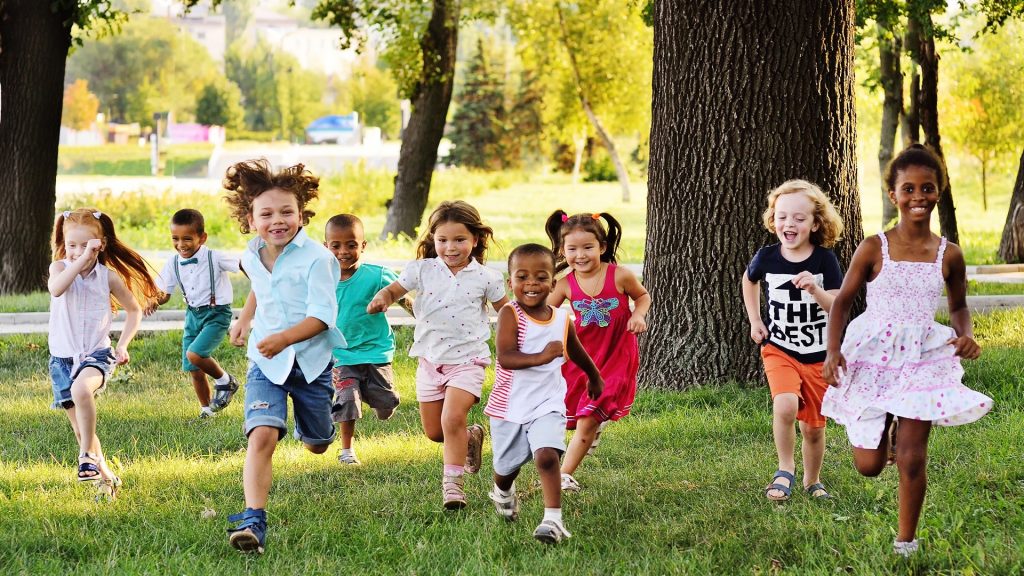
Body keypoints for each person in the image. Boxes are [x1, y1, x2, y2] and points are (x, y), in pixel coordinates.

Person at [821, 144, 992, 557]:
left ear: (939, 191)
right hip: (873, 353)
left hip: (923, 357)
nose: (919, 196)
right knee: (869, 466)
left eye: (928, 188)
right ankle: (886, 427)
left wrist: (964, 333)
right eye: (909, 188)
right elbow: (843, 301)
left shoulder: (948, 254)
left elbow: (959, 306)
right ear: (893, 194)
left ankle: (906, 541)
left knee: (913, 458)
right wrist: (832, 351)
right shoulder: (873, 247)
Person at [223, 159, 345, 554]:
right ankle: (253, 519)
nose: (278, 220)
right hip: (266, 362)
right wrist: (245, 318)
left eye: (287, 212)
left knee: (318, 443)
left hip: (310, 362)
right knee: (261, 436)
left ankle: (313, 428)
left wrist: (284, 339)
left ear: (302, 214)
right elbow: (263, 285)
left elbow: (323, 317)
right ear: (250, 218)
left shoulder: (318, 259)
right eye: (267, 213)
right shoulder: (252, 252)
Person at [367, 200, 508, 509]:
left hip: (469, 361)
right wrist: (382, 298)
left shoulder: (487, 278)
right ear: (433, 239)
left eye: (459, 240)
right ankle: (468, 438)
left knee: (451, 417)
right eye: (442, 240)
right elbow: (394, 290)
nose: (450, 247)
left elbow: (509, 313)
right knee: (435, 432)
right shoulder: (422, 270)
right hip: (430, 362)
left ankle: (453, 488)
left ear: (475, 239)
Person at [485, 244, 604, 544]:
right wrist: (541, 356)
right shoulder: (511, 314)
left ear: (553, 282)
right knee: (505, 468)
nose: (531, 284)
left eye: (540, 277)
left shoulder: (562, 319)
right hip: (509, 406)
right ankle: (502, 491)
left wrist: (594, 376)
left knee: (547, 457)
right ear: (510, 282)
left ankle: (553, 520)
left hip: (548, 402)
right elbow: (506, 357)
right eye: (522, 277)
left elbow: (575, 350)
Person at [741, 180, 844, 501]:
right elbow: (749, 280)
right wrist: (756, 320)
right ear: (773, 219)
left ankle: (812, 480)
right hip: (779, 349)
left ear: (815, 223)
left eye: (799, 218)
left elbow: (838, 306)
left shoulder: (824, 261)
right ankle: (785, 468)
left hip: (817, 355)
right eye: (782, 216)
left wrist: (815, 289)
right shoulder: (767, 257)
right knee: (784, 404)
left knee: (813, 428)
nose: (790, 224)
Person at [47, 208, 160, 500]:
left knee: (81, 389)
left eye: (85, 245)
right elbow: (57, 290)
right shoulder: (59, 269)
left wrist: (122, 344)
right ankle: (106, 477)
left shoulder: (106, 277)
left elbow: (134, 311)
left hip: (96, 355)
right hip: (61, 359)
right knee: (79, 428)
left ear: (100, 245)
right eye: (71, 245)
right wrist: (81, 258)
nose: (76, 251)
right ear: (64, 243)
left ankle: (85, 454)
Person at [544, 211, 651, 492]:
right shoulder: (565, 283)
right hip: (581, 356)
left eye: (588, 247)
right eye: (572, 249)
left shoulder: (620, 276)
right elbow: (546, 313)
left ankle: (564, 475)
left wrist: (638, 315)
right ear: (562, 250)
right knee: (573, 411)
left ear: (602, 247)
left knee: (589, 415)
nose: (581, 255)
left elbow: (643, 296)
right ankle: (591, 428)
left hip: (616, 355)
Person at [324, 213, 410, 465]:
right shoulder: (321, 280)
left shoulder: (377, 275)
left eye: (351, 244)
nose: (343, 251)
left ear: (363, 246)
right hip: (342, 355)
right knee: (347, 399)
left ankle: (378, 398)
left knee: (385, 408)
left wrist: (425, 318)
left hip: (375, 352)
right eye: (335, 245)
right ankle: (346, 451)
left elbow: (404, 298)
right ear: (325, 246)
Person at [147, 209, 240, 418]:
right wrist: (154, 301)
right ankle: (207, 410)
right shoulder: (173, 262)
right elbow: (164, 294)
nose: (181, 244)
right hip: (193, 316)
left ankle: (226, 381)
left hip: (216, 314)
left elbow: (241, 264)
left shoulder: (214, 257)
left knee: (195, 354)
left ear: (202, 237)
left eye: (187, 238)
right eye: (175, 238)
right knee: (194, 368)